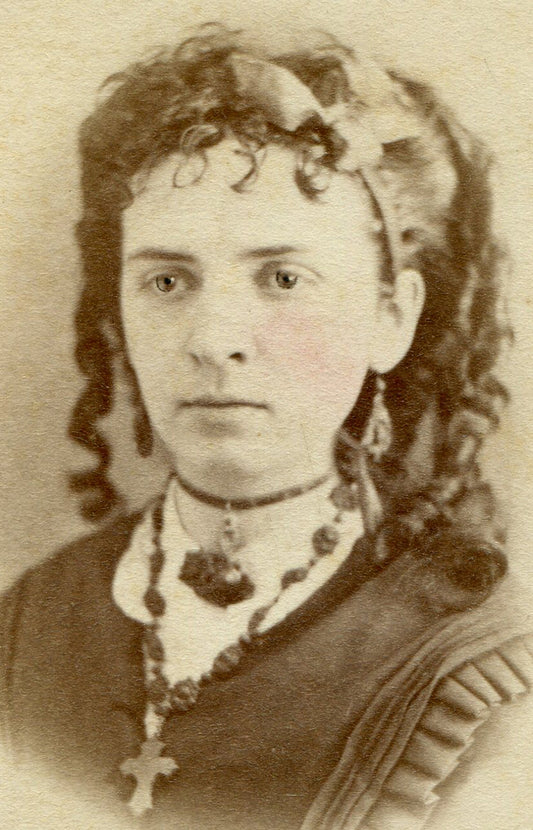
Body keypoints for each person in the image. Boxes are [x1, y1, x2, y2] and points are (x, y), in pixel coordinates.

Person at [1, 23, 532, 830]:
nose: (214, 339)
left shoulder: (473, 669)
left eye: (283, 277)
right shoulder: (31, 621)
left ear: (390, 317)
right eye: (168, 280)